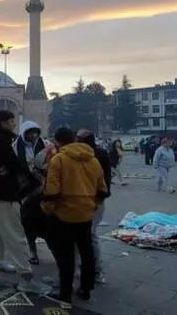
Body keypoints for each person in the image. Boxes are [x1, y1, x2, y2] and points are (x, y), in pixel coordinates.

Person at [0, 110, 51, 295]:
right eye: (11, 121)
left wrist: (7, 170)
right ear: (2, 122)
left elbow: (6, 166)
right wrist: (35, 180)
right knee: (14, 234)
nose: (14, 124)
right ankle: (26, 278)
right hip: (3, 194)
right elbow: (15, 165)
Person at [43, 127, 107, 306]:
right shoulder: (93, 160)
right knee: (86, 253)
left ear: (58, 141)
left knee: (66, 256)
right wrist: (92, 206)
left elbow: (52, 190)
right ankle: (86, 289)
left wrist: (48, 208)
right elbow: (102, 189)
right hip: (86, 214)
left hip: (64, 215)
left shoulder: (59, 160)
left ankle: (65, 294)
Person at [75, 129, 111, 285]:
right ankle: (88, 268)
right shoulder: (99, 154)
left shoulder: (94, 156)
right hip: (92, 199)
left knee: (89, 236)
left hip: (92, 200)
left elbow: (104, 179)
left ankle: (95, 270)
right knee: (87, 236)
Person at [12, 121, 47, 266]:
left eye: (36, 132)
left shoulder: (45, 145)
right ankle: (33, 251)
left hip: (43, 187)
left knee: (45, 219)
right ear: (24, 133)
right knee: (27, 220)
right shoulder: (14, 148)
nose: (33, 135)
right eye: (30, 132)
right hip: (25, 188)